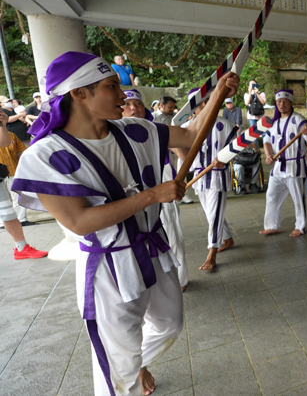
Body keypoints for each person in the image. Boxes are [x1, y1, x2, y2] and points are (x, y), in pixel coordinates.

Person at [11, 51, 239, 396]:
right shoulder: (43, 157)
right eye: (112, 86)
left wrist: (217, 95)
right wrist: (150, 196)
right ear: (78, 94)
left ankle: (132, 363)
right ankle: (125, 372)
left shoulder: (137, 130)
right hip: (107, 265)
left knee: (169, 324)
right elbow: (79, 222)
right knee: (118, 372)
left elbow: (192, 136)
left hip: (152, 250)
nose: (124, 95)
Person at [121, 89, 188, 291]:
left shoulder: (157, 130)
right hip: (130, 195)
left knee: (169, 230)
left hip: (162, 182)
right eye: (127, 103)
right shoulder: (111, 136)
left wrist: (178, 178)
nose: (134, 108)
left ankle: (180, 278)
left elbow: (183, 153)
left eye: (138, 103)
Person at [180, 96, 237, 271]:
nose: (204, 106)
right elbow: (180, 152)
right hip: (199, 177)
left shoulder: (226, 125)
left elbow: (235, 149)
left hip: (217, 176)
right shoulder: (184, 128)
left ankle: (211, 254)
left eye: (207, 101)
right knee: (211, 213)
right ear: (193, 107)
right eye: (199, 103)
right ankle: (227, 239)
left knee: (214, 215)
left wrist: (225, 160)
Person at [260, 89, 307, 237]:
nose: (282, 104)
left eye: (285, 101)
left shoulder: (298, 120)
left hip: (296, 166)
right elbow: (266, 140)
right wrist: (268, 154)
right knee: (271, 195)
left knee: (298, 199)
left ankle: (300, 226)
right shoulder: (274, 123)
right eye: (279, 101)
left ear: (291, 102)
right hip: (278, 166)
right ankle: (272, 225)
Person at [0, 110, 45, 258]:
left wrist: (2, 125)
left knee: (9, 214)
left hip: (5, 176)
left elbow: (5, 143)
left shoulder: (10, 134)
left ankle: (21, 248)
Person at [0, 122, 32, 225]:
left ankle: (21, 219)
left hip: (14, 170)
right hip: (1, 174)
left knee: (19, 195)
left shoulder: (11, 135)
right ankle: (2, 223)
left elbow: (21, 152)